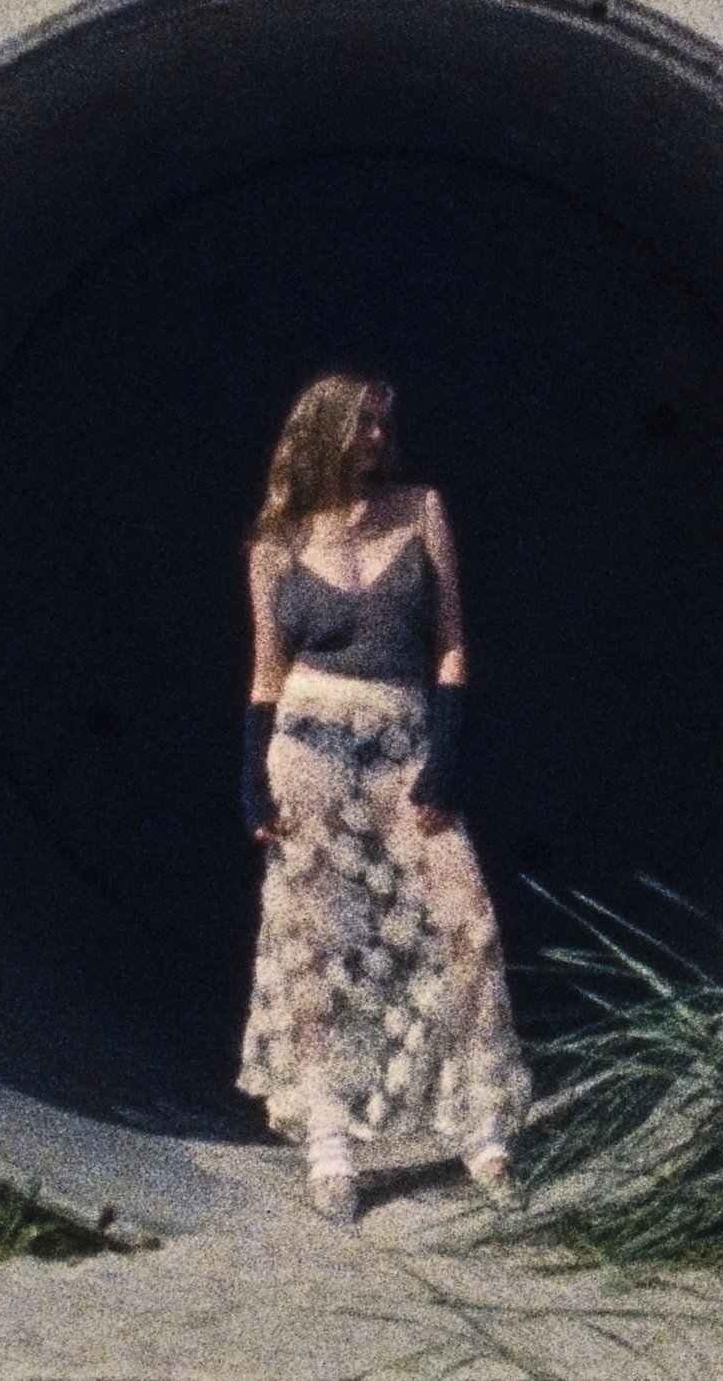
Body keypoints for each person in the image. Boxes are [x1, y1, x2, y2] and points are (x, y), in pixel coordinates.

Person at [236, 372, 531, 1224]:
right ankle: (331, 1144)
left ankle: (482, 1128)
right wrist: (251, 781)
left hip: (404, 741)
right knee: (319, 944)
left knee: (465, 920)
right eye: (361, 424)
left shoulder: (421, 508)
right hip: (308, 744)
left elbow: (451, 646)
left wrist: (444, 761)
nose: (375, 438)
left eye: (381, 424)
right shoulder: (276, 541)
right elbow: (265, 670)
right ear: (320, 431)